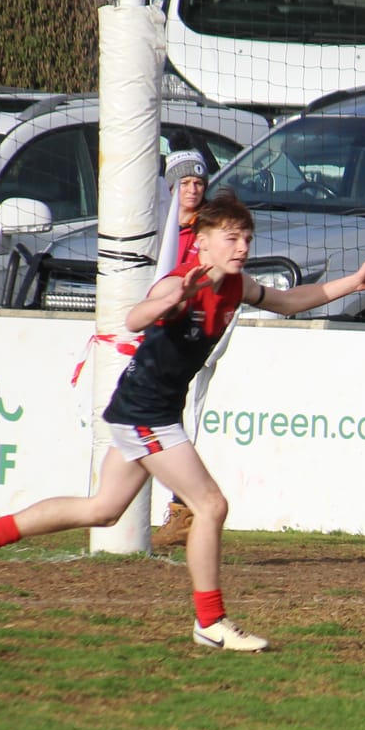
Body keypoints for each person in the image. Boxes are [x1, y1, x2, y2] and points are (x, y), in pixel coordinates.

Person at [0, 191, 365, 651]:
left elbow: (287, 302)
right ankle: (211, 622)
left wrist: (354, 283)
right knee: (210, 505)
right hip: (145, 412)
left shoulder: (237, 284)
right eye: (231, 238)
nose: (242, 247)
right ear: (201, 241)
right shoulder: (180, 281)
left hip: (150, 410)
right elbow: (135, 317)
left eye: (246, 238)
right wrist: (175, 299)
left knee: (103, 510)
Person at [153, 149, 211, 549]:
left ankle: (184, 509)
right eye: (185, 182)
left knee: (171, 418)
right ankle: (182, 508)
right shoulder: (158, 228)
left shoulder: (208, 231)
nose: (192, 189)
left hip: (188, 334)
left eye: (198, 182)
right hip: (158, 330)